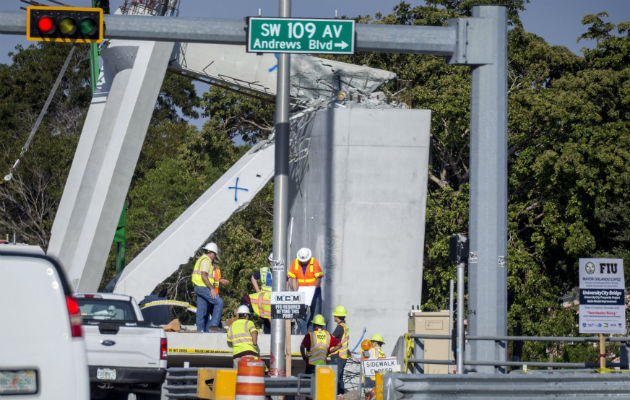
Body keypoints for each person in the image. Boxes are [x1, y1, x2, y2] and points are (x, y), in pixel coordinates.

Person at [191, 242, 229, 332]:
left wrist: (219, 281)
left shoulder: (201, 259)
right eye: (214, 255)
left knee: (202, 311)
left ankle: (200, 330)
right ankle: (213, 326)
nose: (214, 257)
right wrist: (212, 289)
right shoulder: (207, 261)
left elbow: (206, 277)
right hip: (203, 287)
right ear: (212, 253)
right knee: (219, 302)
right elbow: (204, 275)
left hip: (199, 287)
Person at [288, 247, 323, 333]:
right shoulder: (295, 263)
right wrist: (296, 293)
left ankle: (312, 333)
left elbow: (318, 278)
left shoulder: (314, 262)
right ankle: (303, 334)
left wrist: (312, 289)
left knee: (315, 315)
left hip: (315, 293)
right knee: (300, 316)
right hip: (302, 293)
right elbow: (293, 279)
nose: (303, 262)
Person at [329, 305, 350, 395]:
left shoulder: (339, 327)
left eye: (334, 316)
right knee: (340, 377)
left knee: (335, 377)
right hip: (343, 356)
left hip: (338, 355)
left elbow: (331, 339)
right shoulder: (345, 326)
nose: (334, 317)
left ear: (337, 317)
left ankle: (336, 395)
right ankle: (340, 394)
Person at [363, 334, 386, 400]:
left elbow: (361, 358)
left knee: (369, 396)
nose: (371, 343)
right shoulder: (382, 353)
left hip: (371, 378)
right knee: (377, 395)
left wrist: (352, 356)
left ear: (375, 343)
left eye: (372, 342)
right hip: (379, 378)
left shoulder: (371, 350)